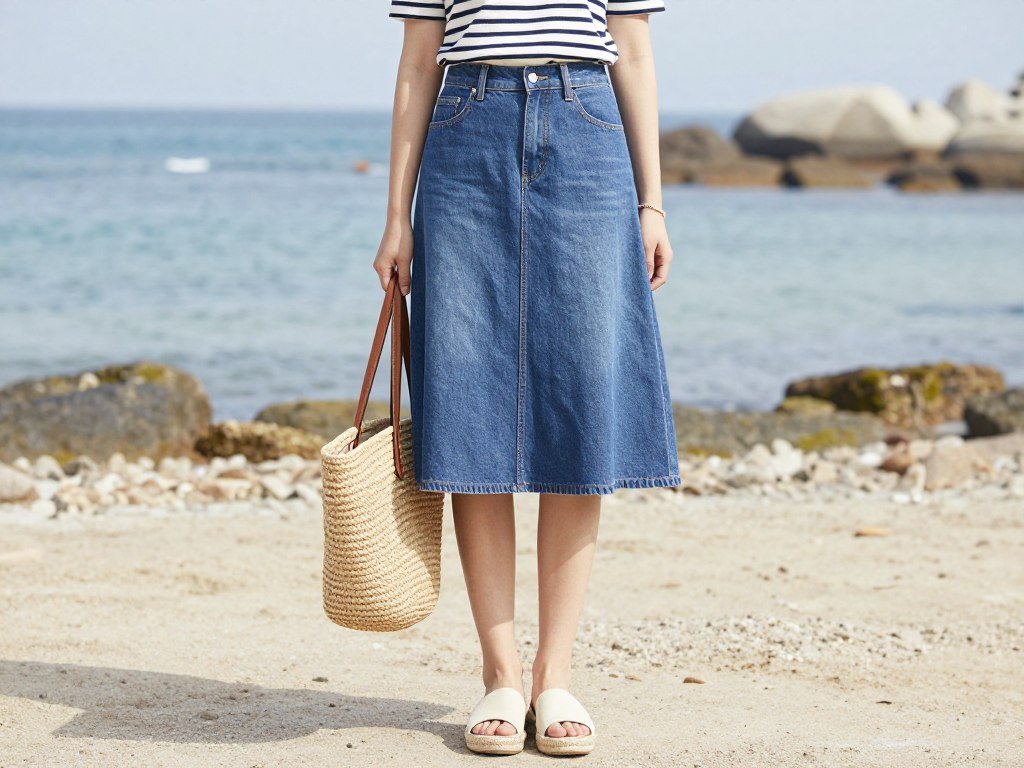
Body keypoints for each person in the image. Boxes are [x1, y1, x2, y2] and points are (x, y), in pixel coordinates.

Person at [376, 0, 679, 756]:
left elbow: (633, 55)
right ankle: (502, 676)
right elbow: (418, 63)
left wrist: (652, 202)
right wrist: (395, 216)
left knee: (579, 405)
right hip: (464, 129)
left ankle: (556, 676)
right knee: (470, 398)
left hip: (587, 127)